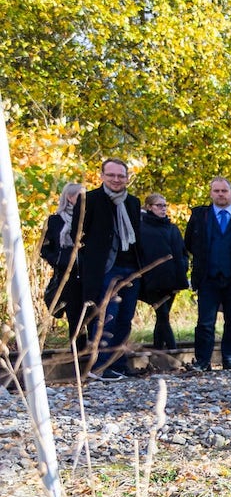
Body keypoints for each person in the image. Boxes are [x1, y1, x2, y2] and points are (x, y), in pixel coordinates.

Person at [71, 159, 145, 380]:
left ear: (127, 178)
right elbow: (79, 233)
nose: (116, 180)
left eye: (121, 176)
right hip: (106, 268)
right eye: (111, 175)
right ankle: (100, 366)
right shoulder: (90, 199)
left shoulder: (132, 202)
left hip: (131, 267)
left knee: (125, 318)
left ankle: (118, 364)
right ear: (102, 175)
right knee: (106, 318)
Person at [185, 177, 231, 371]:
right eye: (216, 191)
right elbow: (189, 244)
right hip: (208, 278)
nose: (220, 194)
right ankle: (202, 361)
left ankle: (229, 357)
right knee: (205, 322)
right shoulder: (200, 217)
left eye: (224, 191)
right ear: (211, 193)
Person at [136, 193, 189, 351]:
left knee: (163, 317)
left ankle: (159, 349)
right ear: (149, 207)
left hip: (173, 279)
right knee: (163, 315)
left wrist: (183, 268)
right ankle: (173, 351)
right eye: (159, 205)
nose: (163, 209)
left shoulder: (172, 228)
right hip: (152, 280)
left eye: (165, 205)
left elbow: (182, 252)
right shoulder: (142, 228)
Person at [39, 182, 84, 340]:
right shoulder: (54, 221)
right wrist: (59, 260)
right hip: (67, 275)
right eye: (80, 196)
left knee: (90, 316)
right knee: (74, 317)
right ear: (70, 198)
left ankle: (92, 355)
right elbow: (43, 249)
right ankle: (77, 354)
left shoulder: (88, 219)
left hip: (87, 273)